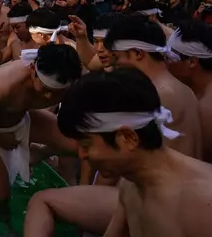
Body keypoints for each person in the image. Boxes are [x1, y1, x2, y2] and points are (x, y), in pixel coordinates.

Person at [20, 68, 212, 237]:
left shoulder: (211, 205)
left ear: (127, 137)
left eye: (86, 144)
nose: (81, 155)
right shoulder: (132, 184)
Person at [0, 43, 81, 226]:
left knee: (79, 146)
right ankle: (8, 231)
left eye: (55, 93)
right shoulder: (3, 85)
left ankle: (39, 153)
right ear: (32, 70)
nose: (47, 97)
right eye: (45, 89)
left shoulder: (69, 80)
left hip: (25, 118)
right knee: (0, 198)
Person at [71, 14, 202, 159]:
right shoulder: (183, 89)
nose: (117, 65)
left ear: (138, 53)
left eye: (119, 58)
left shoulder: (158, 93)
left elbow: (139, 159)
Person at [166, 19, 212, 166]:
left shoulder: (209, 107)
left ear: (192, 62)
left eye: (170, 58)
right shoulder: (202, 87)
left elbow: (189, 160)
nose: (166, 64)